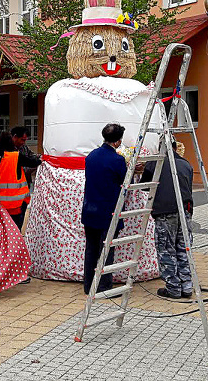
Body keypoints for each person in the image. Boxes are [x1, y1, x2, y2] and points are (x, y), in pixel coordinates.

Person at [140, 140, 194, 299]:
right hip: (185, 211)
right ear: (176, 148)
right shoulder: (186, 164)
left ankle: (173, 288)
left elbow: (145, 185)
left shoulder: (155, 163)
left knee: (166, 250)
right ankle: (187, 286)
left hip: (165, 212)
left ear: (159, 148)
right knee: (184, 249)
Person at [81, 123, 128, 295]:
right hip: (108, 211)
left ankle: (88, 285)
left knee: (91, 248)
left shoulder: (91, 156)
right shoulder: (117, 160)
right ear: (117, 141)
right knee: (107, 249)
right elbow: (124, 182)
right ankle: (104, 286)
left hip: (90, 209)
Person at [0, 132, 32, 230]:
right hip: (16, 204)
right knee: (15, 230)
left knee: (0, 231)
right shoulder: (16, 156)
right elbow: (33, 162)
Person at [10, 126, 42, 214]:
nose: (23, 142)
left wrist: (41, 158)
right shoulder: (8, 151)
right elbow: (24, 169)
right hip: (12, 190)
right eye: (22, 140)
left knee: (22, 213)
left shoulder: (24, 148)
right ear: (15, 137)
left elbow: (33, 156)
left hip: (24, 189)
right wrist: (35, 164)